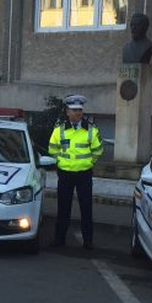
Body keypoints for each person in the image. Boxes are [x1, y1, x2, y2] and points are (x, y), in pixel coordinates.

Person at [48, 95, 104, 248]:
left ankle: (88, 242)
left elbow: (98, 150)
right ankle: (59, 240)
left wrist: (89, 163)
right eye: (74, 110)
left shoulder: (91, 130)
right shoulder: (59, 130)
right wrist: (60, 163)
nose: (78, 113)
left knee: (86, 209)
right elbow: (52, 149)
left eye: (80, 110)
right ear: (67, 112)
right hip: (65, 174)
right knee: (63, 208)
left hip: (84, 174)